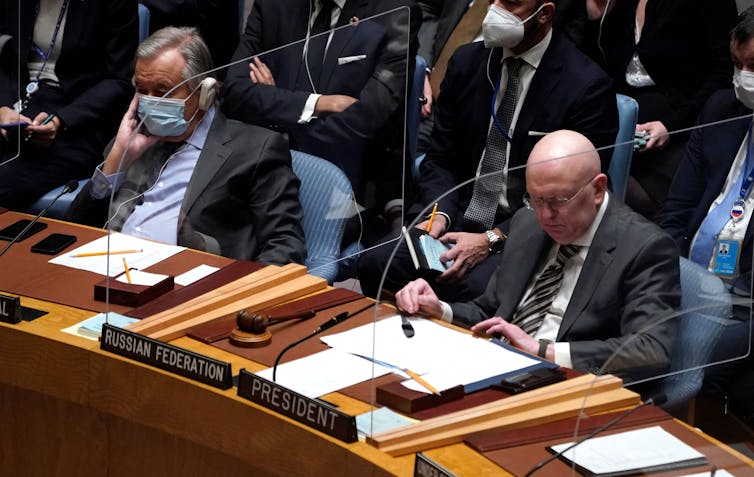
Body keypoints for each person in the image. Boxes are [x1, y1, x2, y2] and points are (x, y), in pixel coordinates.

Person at [358, 0, 618, 302]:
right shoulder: (468, 63)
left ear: (544, 14)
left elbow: (570, 197)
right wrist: (437, 213)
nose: (495, 10)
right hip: (456, 215)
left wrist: (490, 239)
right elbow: (442, 158)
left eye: (510, 4)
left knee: (467, 294)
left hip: (526, 230)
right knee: (376, 264)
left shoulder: (586, 87)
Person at [396, 130, 680, 380]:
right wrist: (440, 308)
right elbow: (489, 312)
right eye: (536, 199)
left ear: (598, 189)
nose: (545, 215)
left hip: (568, 382)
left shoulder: (645, 247)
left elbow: (651, 349)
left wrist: (543, 350)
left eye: (558, 201)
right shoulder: (526, 223)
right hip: (495, 366)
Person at [68, 27, 306, 266]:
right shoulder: (129, 140)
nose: (150, 101)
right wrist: (117, 160)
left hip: (189, 285)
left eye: (163, 92)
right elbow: (72, 232)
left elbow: (285, 247)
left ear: (204, 92)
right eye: (142, 90)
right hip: (107, 272)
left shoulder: (256, 149)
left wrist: (234, 297)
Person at [222, 0, 420, 221]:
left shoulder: (394, 11)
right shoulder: (274, 5)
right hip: (266, 175)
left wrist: (276, 107)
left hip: (350, 184)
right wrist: (319, 104)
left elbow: (364, 123)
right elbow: (234, 92)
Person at [658, 6, 754, 428]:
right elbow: (677, 208)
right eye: (738, 65)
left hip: (746, 301)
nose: (743, 77)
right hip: (689, 275)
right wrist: (667, 273)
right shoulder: (721, 109)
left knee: (704, 367)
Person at [583, 0, 737, 218]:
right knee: (579, 173)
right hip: (620, 114)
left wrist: (671, 125)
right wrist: (593, 16)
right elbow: (600, 63)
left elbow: (724, 73)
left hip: (685, 121)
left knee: (636, 200)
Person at [0, 0, 137, 210]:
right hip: (18, 102)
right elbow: (5, 59)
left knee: (5, 181)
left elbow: (119, 81)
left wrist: (61, 120)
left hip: (78, 118)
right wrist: (2, 107)